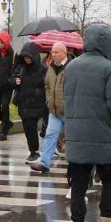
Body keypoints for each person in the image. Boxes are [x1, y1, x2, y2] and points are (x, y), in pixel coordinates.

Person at [63, 24, 111, 222]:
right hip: (104, 133)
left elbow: (65, 101)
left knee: (78, 183)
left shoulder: (71, 67)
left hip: (77, 134)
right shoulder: (110, 69)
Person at [30, 43, 69, 173]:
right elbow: (46, 85)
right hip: (54, 110)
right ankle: (45, 162)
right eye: (53, 52)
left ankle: (81, 166)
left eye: (57, 52)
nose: (54, 54)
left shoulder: (71, 67)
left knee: (74, 139)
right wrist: (48, 100)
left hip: (69, 111)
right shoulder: (51, 68)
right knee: (50, 135)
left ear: (65, 53)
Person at [11, 42, 48, 164]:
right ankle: (33, 151)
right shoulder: (20, 68)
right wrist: (15, 81)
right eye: (25, 57)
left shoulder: (42, 69)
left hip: (38, 103)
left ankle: (36, 151)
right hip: (23, 103)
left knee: (32, 127)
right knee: (28, 129)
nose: (27, 59)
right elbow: (11, 80)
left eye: (29, 57)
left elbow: (47, 85)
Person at [0, 31, 16, 140]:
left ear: (6, 42)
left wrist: (12, 80)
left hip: (7, 86)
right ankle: (7, 123)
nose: (0, 45)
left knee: (5, 106)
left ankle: (4, 131)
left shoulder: (13, 54)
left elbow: (16, 70)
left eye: (2, 42)